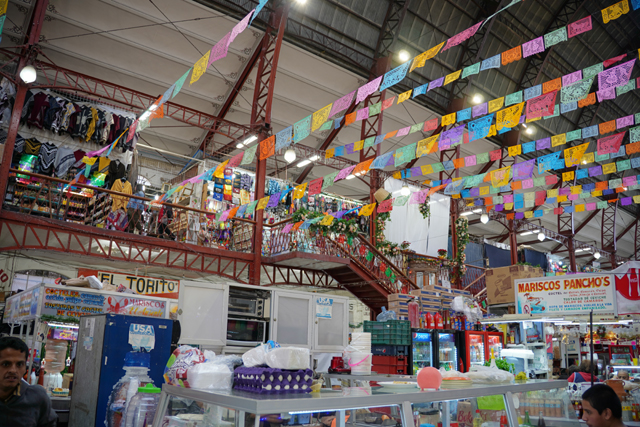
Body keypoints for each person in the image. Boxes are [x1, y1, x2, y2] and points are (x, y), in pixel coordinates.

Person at [0, 337, 57, 427]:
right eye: (6, 364)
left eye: (19, 364)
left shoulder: (37, 397)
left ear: (25, 368)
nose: (13, 370)